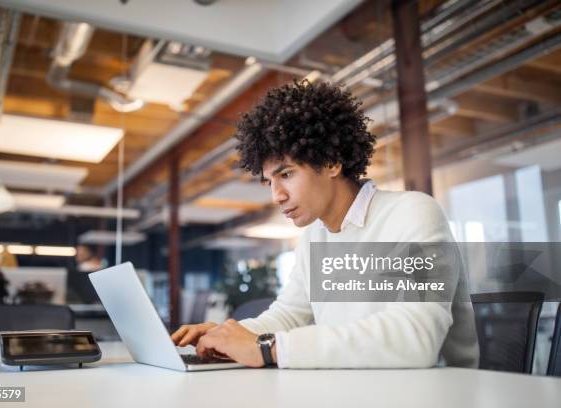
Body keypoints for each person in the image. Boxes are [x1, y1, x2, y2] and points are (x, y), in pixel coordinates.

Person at [171, 80, 479, 369]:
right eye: (269, 182)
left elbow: (416, 337)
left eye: (287, 174)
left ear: (331, 162)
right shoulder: (314, 238)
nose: (277, 195)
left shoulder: (412, 213)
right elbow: (289, 317)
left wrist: (268, 348)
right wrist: (226, 335)